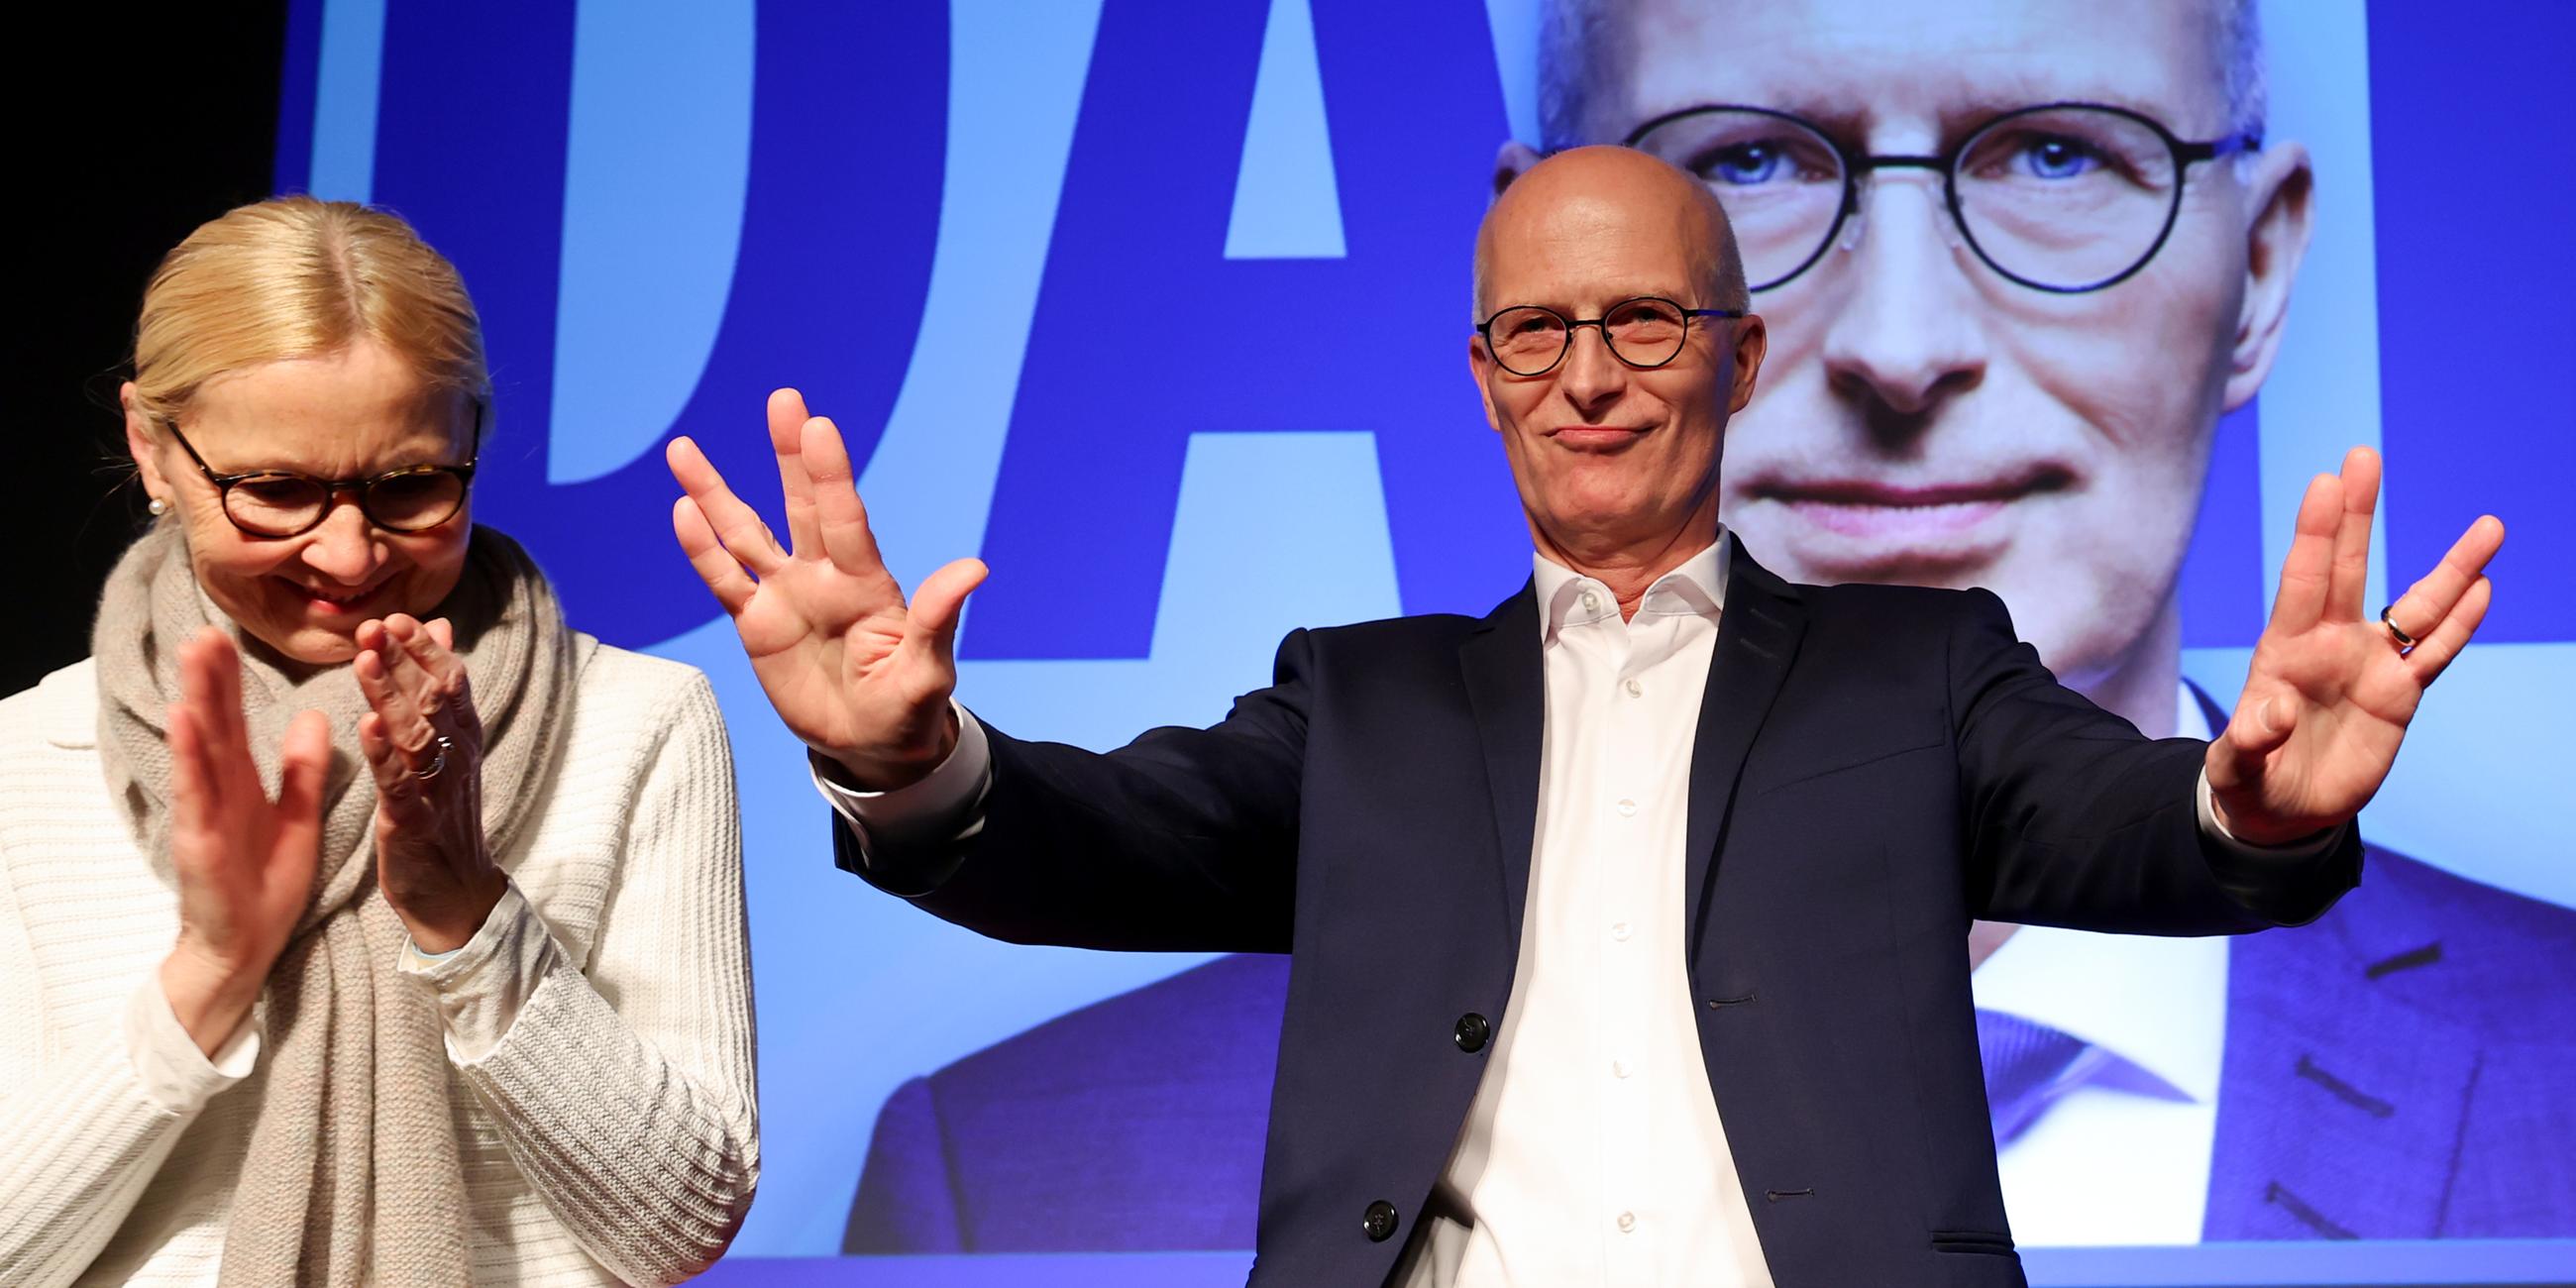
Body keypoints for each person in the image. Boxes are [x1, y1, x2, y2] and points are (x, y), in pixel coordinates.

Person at [832, 0, 2576, 1255]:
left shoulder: (1921, 677)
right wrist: (908, 758)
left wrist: (2245, 808)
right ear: (1488, 380)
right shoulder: (1357, 714)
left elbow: (2115, 820)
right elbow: (1093, 842)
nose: (1900, 347)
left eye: (2055, 155)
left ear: (1732, 359)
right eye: (1542, 334)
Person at [0, 197, 759, 1286]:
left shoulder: (636, 717)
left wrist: (469, 912)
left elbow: (680, 1222)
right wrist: (212, 969)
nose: (350, 555)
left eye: (408, 485)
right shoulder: (29, 757)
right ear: (150, 447)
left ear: (470, 444)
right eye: (276, 491)